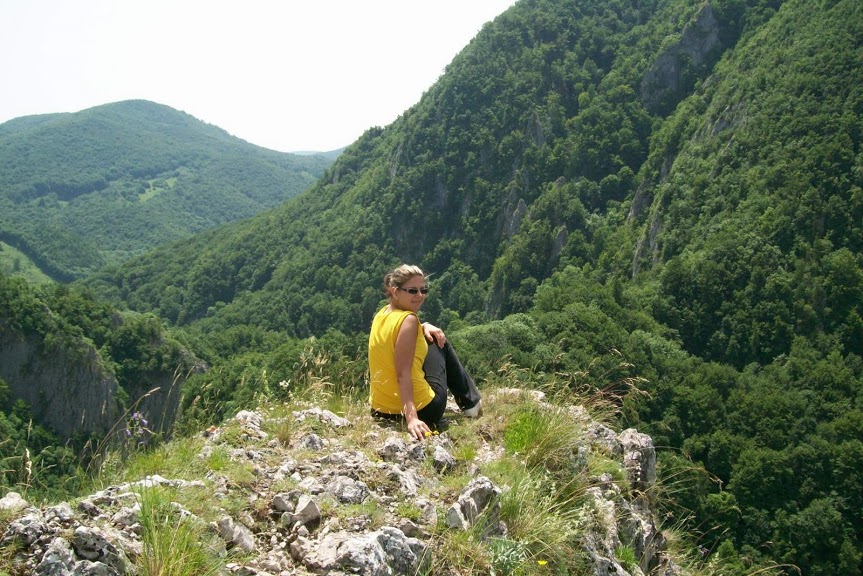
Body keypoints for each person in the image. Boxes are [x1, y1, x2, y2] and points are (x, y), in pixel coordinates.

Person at [368, 264, 482, 440]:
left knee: (430, 333)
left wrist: (423, 326)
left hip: (382, 411)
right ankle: (471, 403)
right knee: (438, 341)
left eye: (424, 290)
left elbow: (395, 338)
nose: (420, 296)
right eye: (412, 291)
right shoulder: (408, 320)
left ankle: (470, 402)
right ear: (395, 291)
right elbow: (402, 374)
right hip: (424, 410)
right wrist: (412, 418)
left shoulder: (381, 315)